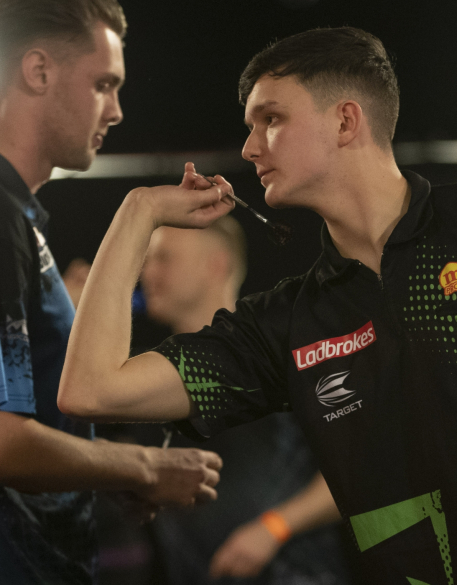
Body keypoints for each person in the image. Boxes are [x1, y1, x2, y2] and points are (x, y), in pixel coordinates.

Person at [58, 27, 457, 585]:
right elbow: (91, 391)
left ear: (345, 121)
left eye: (270, 119)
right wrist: (137, 212)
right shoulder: (287, 322)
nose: (250, 147)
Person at [0, 1, 222, 583]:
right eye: (103, 84)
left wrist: (104, 472)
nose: (116, 110)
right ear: (38, 71)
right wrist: (143, 466)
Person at [140, 218, 349, 583]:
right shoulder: (147, 383)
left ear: (216, 265)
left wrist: (275, 526)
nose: (148, 274)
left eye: (164, 258)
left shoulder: (285, 355)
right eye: (146, 262)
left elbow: (357, 467)